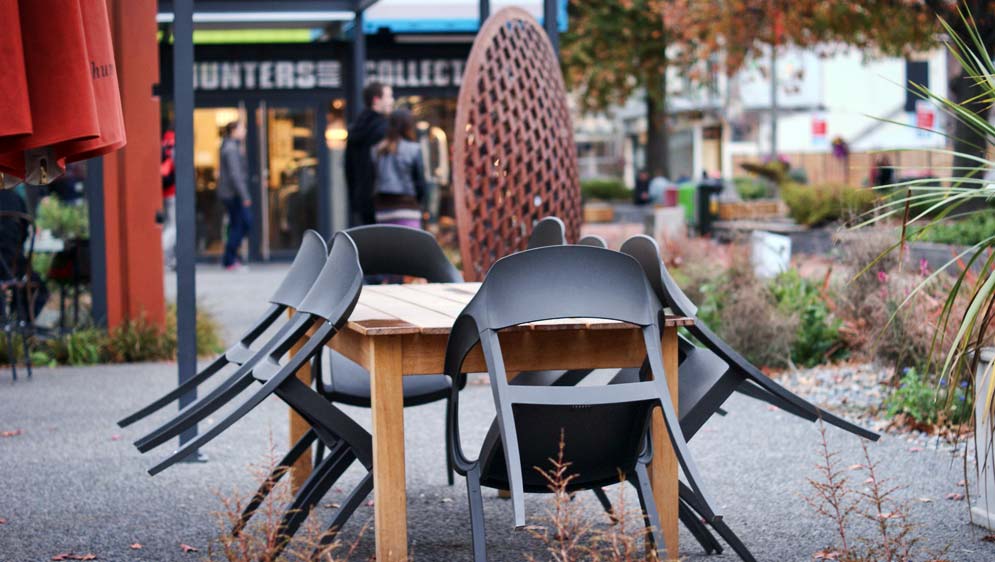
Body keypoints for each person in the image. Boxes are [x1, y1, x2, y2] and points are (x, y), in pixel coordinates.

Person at [345, 82, 393, 227]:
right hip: (384, 198)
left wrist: (354, 200)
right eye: (389, 96)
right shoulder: (385, 129)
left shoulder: (355, 128)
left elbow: (349, 169)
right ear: (376, 100)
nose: (392, 100)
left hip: (362, 199)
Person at [371, 108, 426, 228]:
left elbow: (372, 179)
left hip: (383, 210)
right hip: (408, 208)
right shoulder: (414, 149)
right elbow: (419, 182)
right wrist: (421, 202)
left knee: (387, 246)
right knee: (410, 245)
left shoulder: (377, 150)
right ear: (409, 126)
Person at [217, 121, 251, 271]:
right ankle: (230, 259)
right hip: (233, 194)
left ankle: (229, 259)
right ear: (233, 131)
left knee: (238, 224)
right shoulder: (231, 149)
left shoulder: (231, 146)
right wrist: (244, 196)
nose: (244, 131)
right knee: (243, 223)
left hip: (232, 193)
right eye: (242, 128)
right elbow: (235, 174)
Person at [160, 130, 176, 270]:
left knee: (169, 225)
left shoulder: (164, 144)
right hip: (173, 193)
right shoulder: (174, 146)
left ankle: (168, 259)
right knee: (173, 227)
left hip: (165, 193)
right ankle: (161, 255)